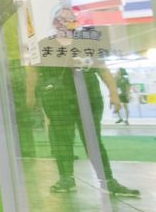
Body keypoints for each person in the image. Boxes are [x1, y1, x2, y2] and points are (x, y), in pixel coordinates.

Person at [26, 65, 139, 196]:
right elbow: (33, 69)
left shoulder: (86, 44)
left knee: (90, 140)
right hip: (58, 94)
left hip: (85, 93)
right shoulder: (44, 45)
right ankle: (67, 178)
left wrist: (114, 94)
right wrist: (30, 94)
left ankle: (106, 180)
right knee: (62, 139)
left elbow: (102, 68)